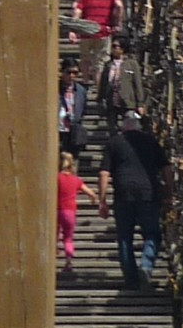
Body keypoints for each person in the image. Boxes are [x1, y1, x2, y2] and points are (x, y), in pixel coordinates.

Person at [100, 107, 166, 287]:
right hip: (148, 193)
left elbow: (104, 173)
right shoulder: (150, 141)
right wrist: (168, 192)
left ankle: (130, 279)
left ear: (123, 126)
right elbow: (166, 168)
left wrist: (102, 200)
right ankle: (146, 264)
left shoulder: (114, 142)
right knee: (152, 233)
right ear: (138, 126)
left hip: (123, 194)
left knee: (124, 237)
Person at [55, 148, 95, 276]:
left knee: (54, 237)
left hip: (56, 210)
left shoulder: (56, 178)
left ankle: (53, 253)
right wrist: (94, 199)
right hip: (69, 211)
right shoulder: (76, 180)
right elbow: (90, 193)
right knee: (68, 238)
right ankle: (68, 261)